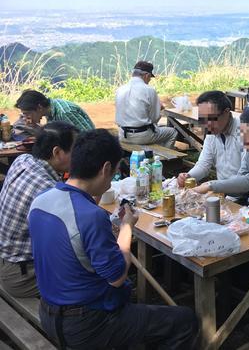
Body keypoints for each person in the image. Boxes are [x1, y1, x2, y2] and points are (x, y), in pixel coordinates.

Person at [28, 129, 197, 349]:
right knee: (185, 320)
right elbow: (117, 277)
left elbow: (73, 244)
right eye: (115, 171)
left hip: (49, 312)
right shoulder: (91, 217)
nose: (111, 181)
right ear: (106, 168)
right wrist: (127, 227)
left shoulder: (41, 200)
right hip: (86, 325)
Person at [0, 122, 78, 298]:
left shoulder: (23, 160)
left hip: (8, 260)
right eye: (75, 150)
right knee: (94, 271)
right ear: (57, 152)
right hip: (22, 276)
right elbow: (73, 239)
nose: (79, 155)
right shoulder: (48, 191)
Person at [177, 90, 244, 189]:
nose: (206, 124)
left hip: (247, 194)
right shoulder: (212, 133)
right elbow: (204, 164)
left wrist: (212, 186)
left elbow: (248, 175)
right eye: (203, 119)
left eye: (211, 118)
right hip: (223, 191)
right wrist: (189, 176)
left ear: (226, 112)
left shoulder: (244, 131)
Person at [115, 60, 177, 148]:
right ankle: (164, 159)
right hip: (141, 136)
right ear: (146, 75)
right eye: (150, 78)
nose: (149, 81)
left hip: (122, 134)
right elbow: (154, 119)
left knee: (157, 130)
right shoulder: (149, 90)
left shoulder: (120, 89)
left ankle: (151, 154)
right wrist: (160, 108)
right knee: (172, 132)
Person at [15, 89, 94, 132]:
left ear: (39, 107)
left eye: (27, 113)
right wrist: (35, 128)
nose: (26, 117)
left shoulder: (65, 113)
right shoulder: (49, 111)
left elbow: (88, 138)